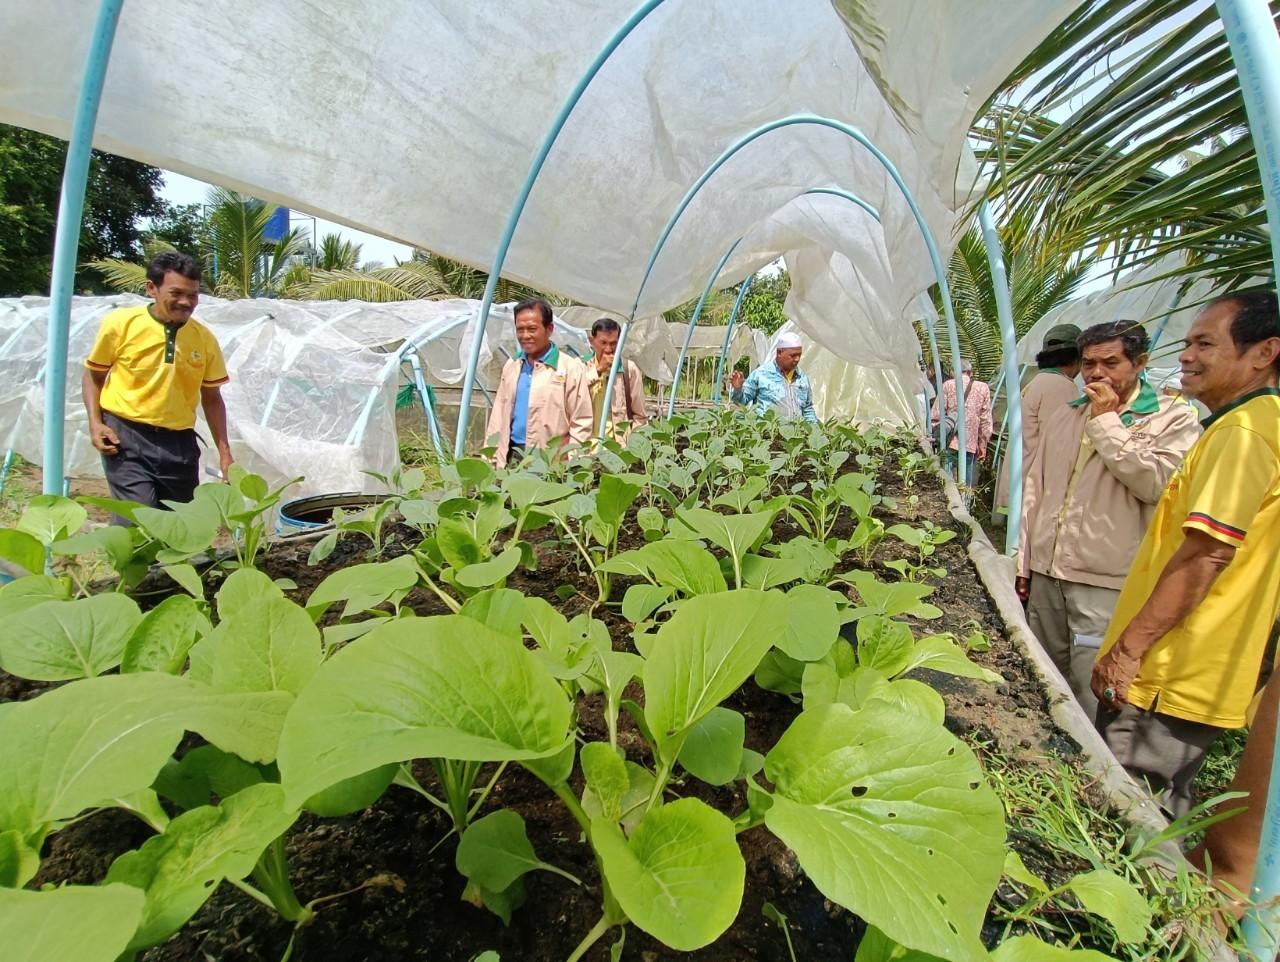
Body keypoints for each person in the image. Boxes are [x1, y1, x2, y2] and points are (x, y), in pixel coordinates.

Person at [1091, 291, 1280, 819]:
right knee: (1152, 805)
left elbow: (1207, 555)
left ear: (1263, 353)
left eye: (1205, 343)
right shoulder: (1250, 424)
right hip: (1194, 667)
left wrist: (1128, 651)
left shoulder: (1243, 434)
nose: (1187, 355)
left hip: (1170, 673)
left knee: (1129, 813)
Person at [1016, 321, 1200, 717]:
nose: (1096, 373)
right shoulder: (1065, 416)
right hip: (1048, 575)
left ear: (1140, 362)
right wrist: (1025, 561)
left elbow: (1156, 485)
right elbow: (1037, 490)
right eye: (1088, 363)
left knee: (1091, 692)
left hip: (1105, 583)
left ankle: (1091, 772)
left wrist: (1106, 423)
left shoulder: (1172, 418)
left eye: (1110, 362)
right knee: (1038, 680)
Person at [82, 251, 233, 514]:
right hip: (126, 436)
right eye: (176, 293)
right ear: (152, 288)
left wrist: (225, 453)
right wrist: (95, 424)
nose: (186, 302)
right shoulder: (121, 324)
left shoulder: (204, 338)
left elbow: (211, 397)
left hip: (180, 443)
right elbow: (94, 376)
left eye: (193, 295)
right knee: (138, 517)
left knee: (179, 525)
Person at [485, 298, 593, 468]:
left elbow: (582, 420)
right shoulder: (512, 366)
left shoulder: (569, 368)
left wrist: (572, 460)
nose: (525, 335)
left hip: (550, 458)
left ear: (549, 329)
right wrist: (490, 456)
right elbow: (498, 415)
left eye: (532, 329)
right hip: (512, 454)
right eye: (520, 330)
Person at [994, 324, 1083, 518]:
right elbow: (1057, 445)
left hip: (1021, 480)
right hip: (1035, 489)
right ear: (1077, 358)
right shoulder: (1061, 387)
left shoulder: (1039, 381)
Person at [728, 331, 818, 422]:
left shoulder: (802, 378)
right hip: (767, 434)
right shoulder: (761, 374)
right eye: (793, 355)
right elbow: (742, 401)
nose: (797, 359)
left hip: (795, 434)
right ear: (779, 352)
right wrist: (738, 389)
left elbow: (807, 409)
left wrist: (816, 431)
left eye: (799, 355)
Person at [583, 317, 648, 441]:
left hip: (617, 450)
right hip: (586, 451)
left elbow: (640, 416)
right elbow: (572, 398)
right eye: (603, 343)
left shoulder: (629, 369)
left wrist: (631, 445)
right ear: (592, 341)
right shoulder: (580, 367)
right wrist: (598, 371)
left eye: (613, 344)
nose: (608, 349)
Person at [931, 358, 992, 483]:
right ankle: (965, 500)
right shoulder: (983, 388)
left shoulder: (948, 385)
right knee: (965, 480)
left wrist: (937, 434)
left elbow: (937, 413)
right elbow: (986, 419)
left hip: (948, 440)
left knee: (946, 480)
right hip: (969, 442)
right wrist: (983, 444)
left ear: (953, 372)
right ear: (971, 372)